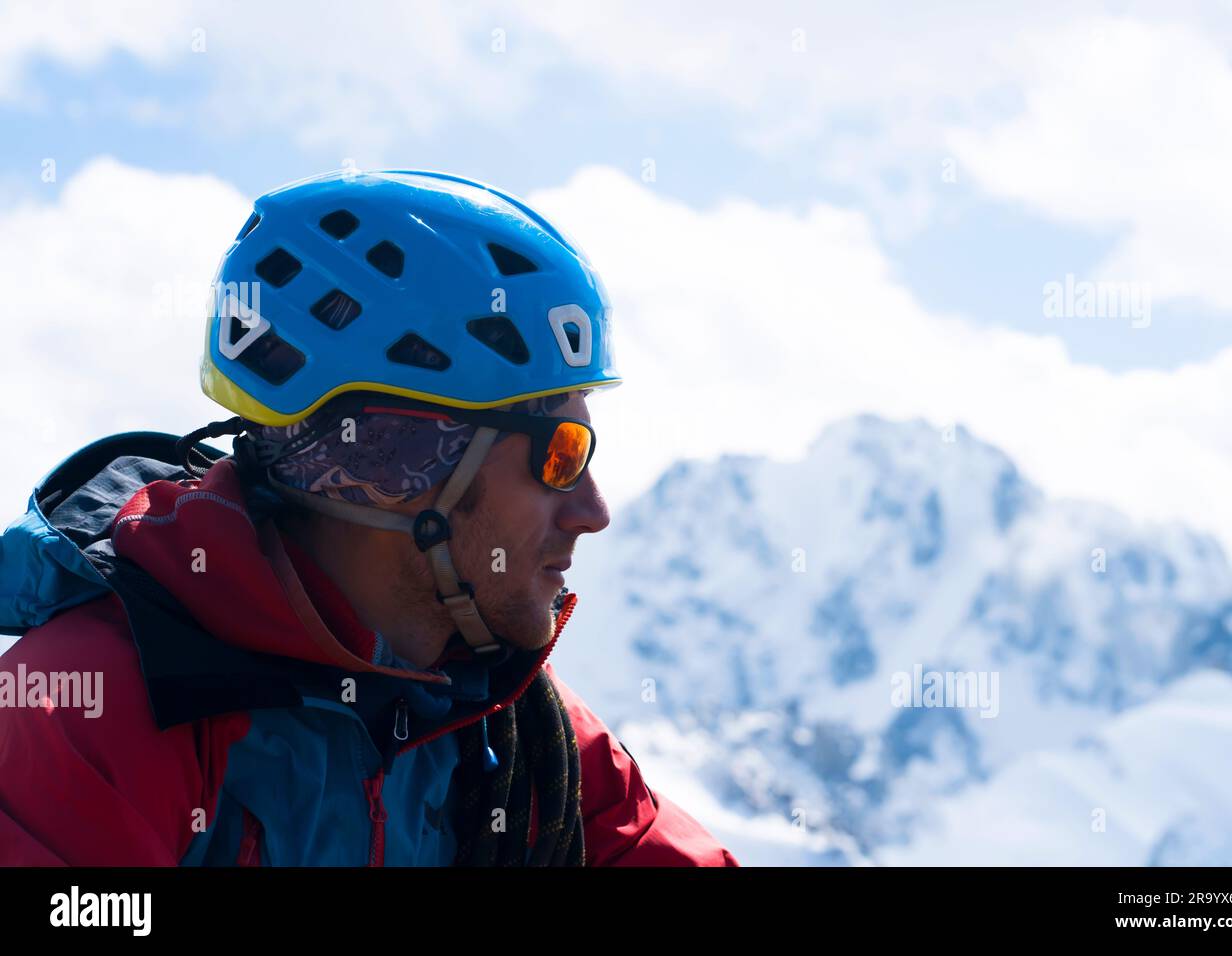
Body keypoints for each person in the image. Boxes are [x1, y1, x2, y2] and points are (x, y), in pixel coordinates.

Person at [0, 169, 740, 866]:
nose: (593, 510)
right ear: (398, 461)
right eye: (559, 454)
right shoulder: (87, 709)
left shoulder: (519, 732)